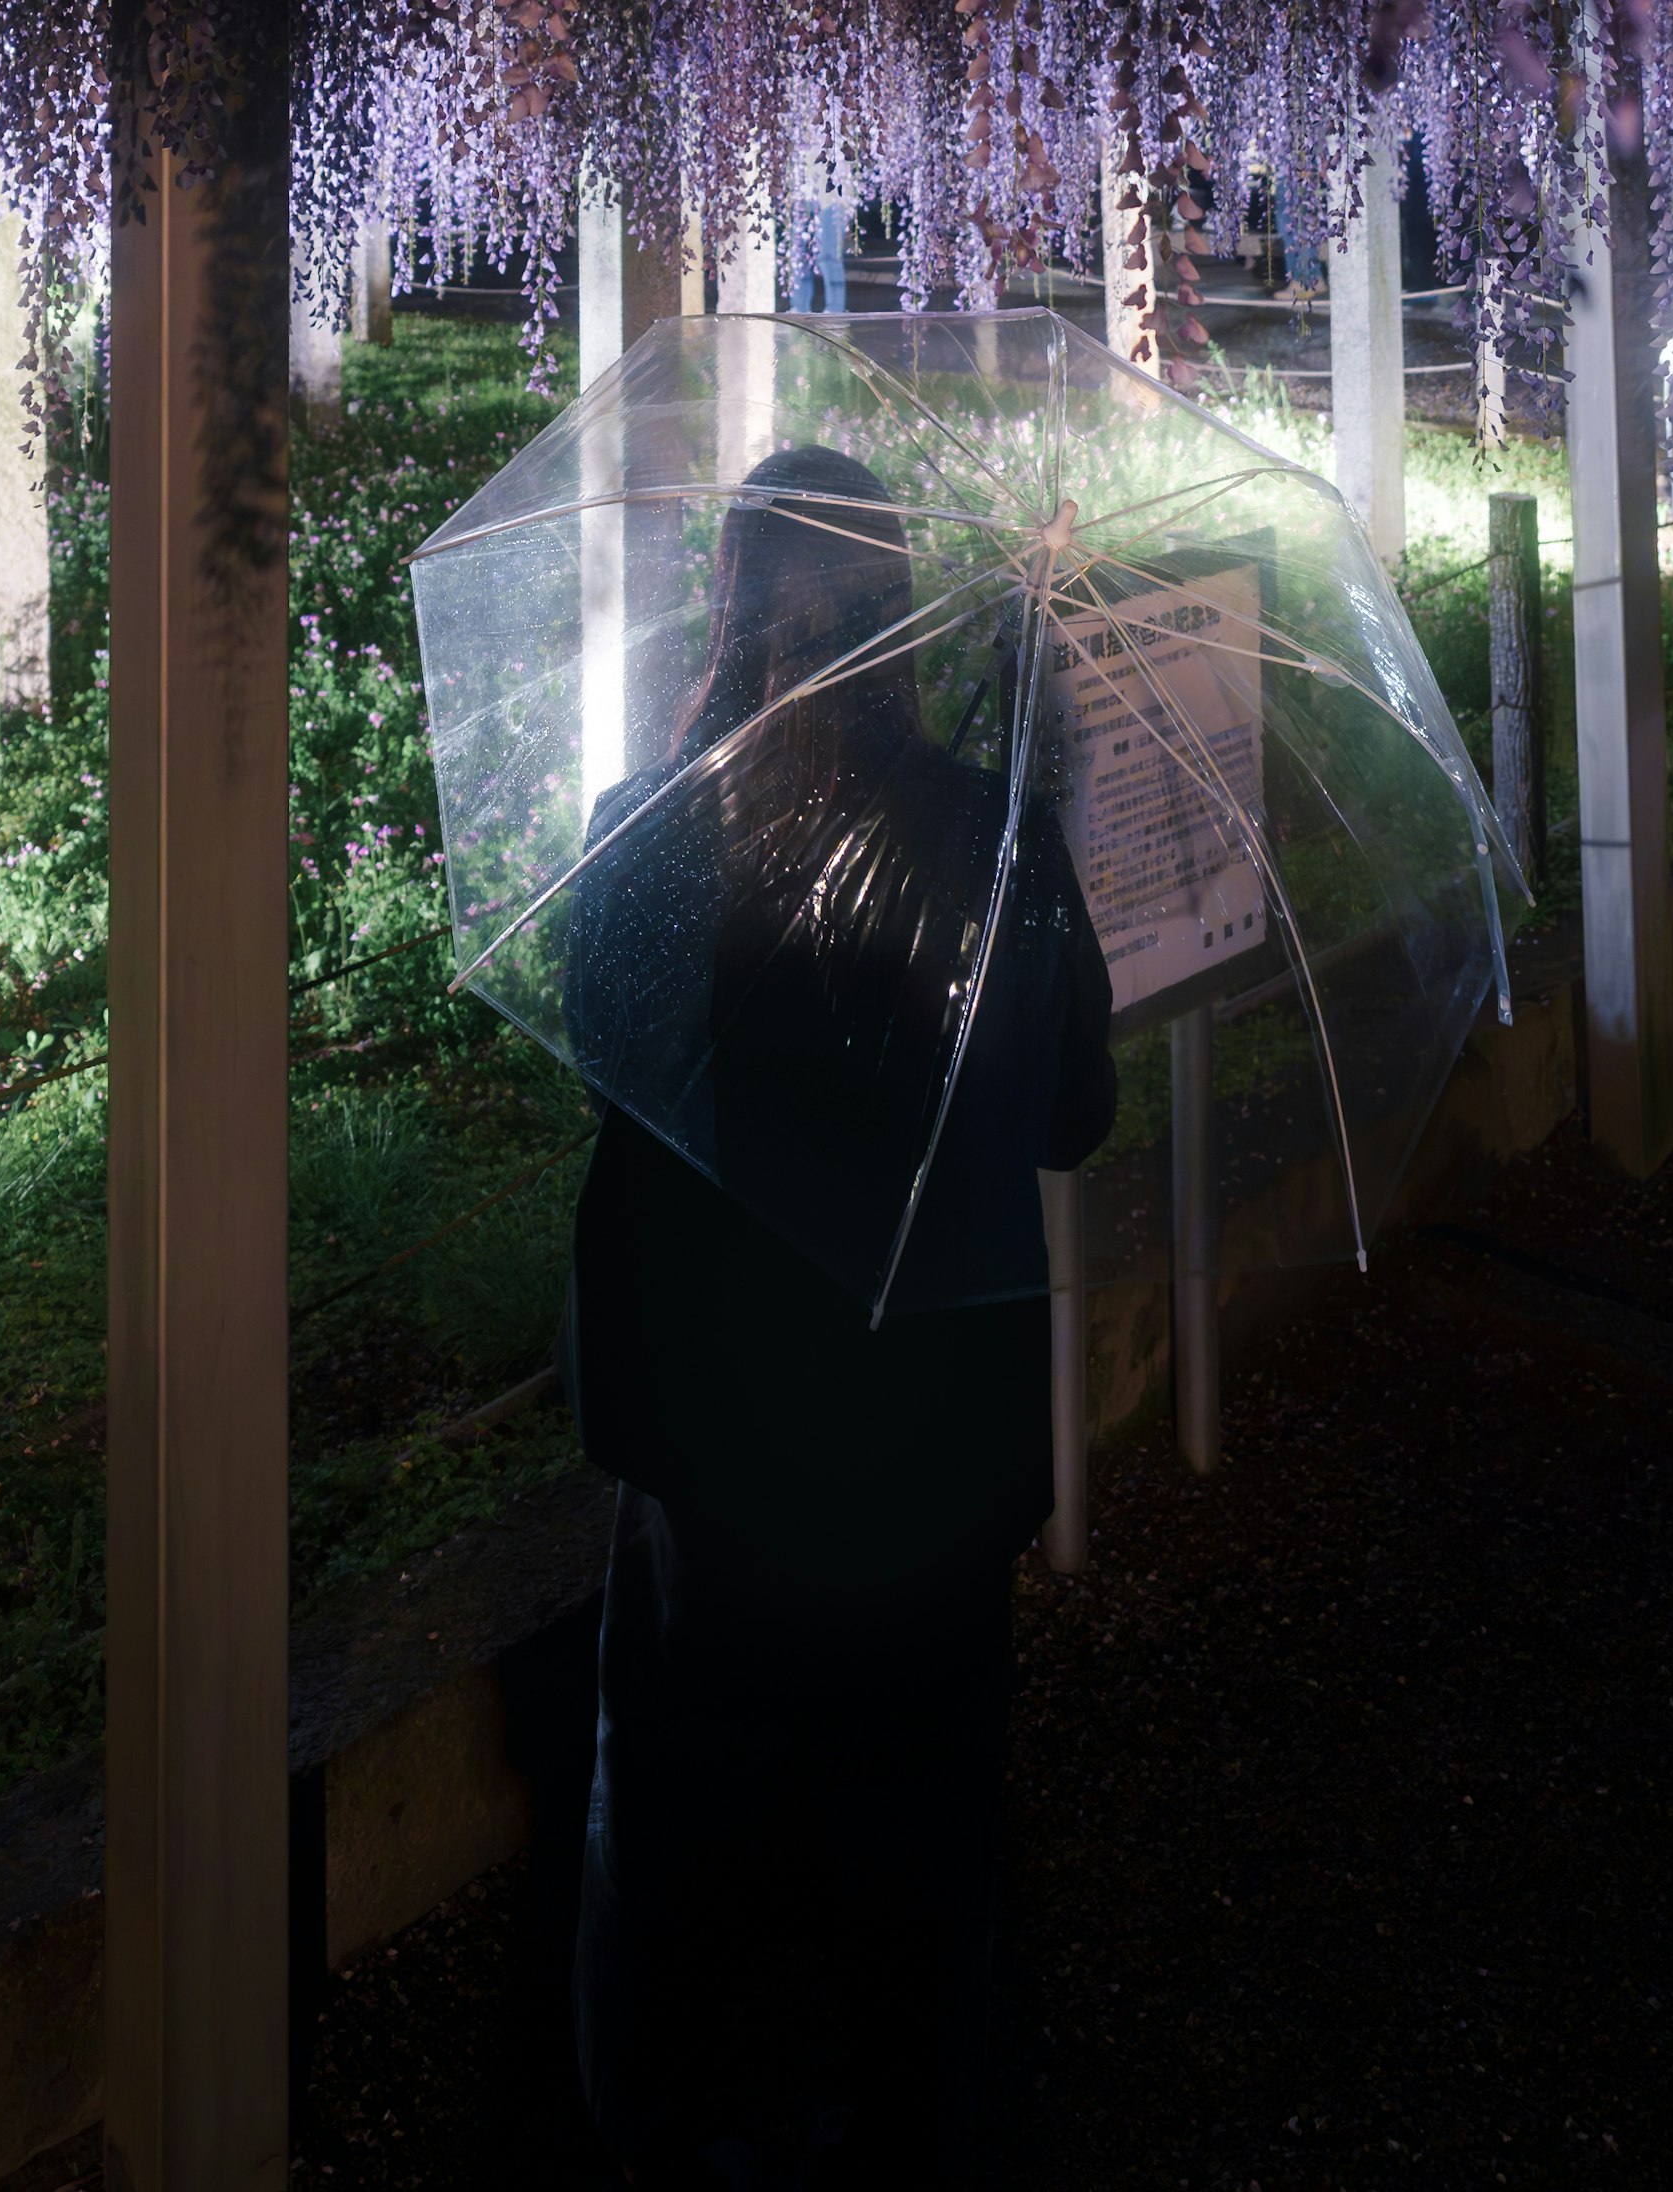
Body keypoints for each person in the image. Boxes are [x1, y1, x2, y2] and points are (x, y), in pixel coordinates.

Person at [561, 442, 1116, 2192]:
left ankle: (691, 2125)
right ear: (901, 608)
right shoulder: (987, 830)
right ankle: (919, 2121)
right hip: (928, 1449)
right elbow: (1077, 1113)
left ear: (729, 608)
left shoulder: (654, 833)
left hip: (716, 1445)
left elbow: (604, 1057)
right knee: (925, 1851)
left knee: (689, 1852)